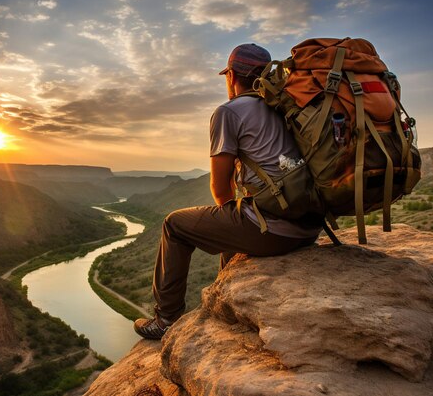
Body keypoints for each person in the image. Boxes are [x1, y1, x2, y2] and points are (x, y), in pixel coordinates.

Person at [133, 43, 322, 340]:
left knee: (175, 224)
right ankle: (228, 292)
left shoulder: (228, 112)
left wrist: (229, 230)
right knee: (233, 221)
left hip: (277, 232)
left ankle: (166, 318)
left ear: (231, 76)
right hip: (309, 227)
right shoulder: (284, 105)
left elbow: (220, 188)